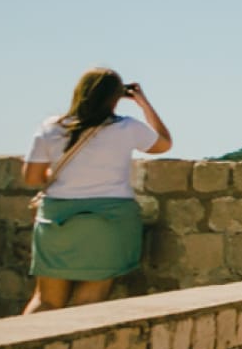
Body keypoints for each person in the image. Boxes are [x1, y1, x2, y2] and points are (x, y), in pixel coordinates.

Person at [21, 68, 172, 314]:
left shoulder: (51, 127)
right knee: (89, 303)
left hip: (58, 218)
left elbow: (32, 178)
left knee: (46, 300)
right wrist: (144, 104)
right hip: (109, 219)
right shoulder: (127, 128)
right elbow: (163, 143)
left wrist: (66, 174)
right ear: (116, 97)